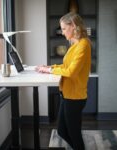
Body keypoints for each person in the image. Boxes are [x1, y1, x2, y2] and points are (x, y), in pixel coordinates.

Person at [36, 12, 91, 150]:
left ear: (73, 26)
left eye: (64, 28)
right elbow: (67, 66)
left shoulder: (83, 45)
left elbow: (71, 72)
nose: (62, 32)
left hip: (75, 97)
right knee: (62, 131)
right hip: (67, 94)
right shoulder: (74, 45)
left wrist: (49, 71)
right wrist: (50, 67)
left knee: (73, 133)